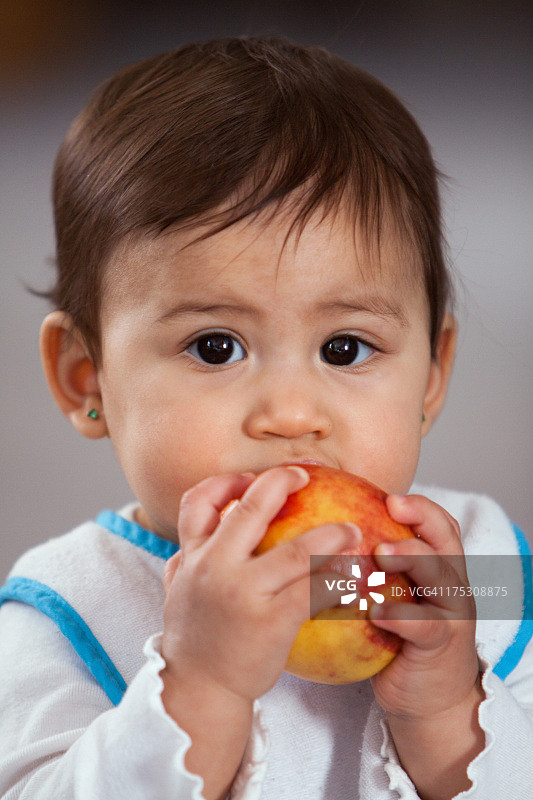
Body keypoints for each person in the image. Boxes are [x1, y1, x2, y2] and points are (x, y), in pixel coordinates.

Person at [0, 35, 531, 800]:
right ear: (86, 378)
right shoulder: (73, 603)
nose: (289, 415)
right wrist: (202, 684)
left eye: (345, 347)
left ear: (431, 375)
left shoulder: (468, 575)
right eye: (215, 347)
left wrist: (449, 708)